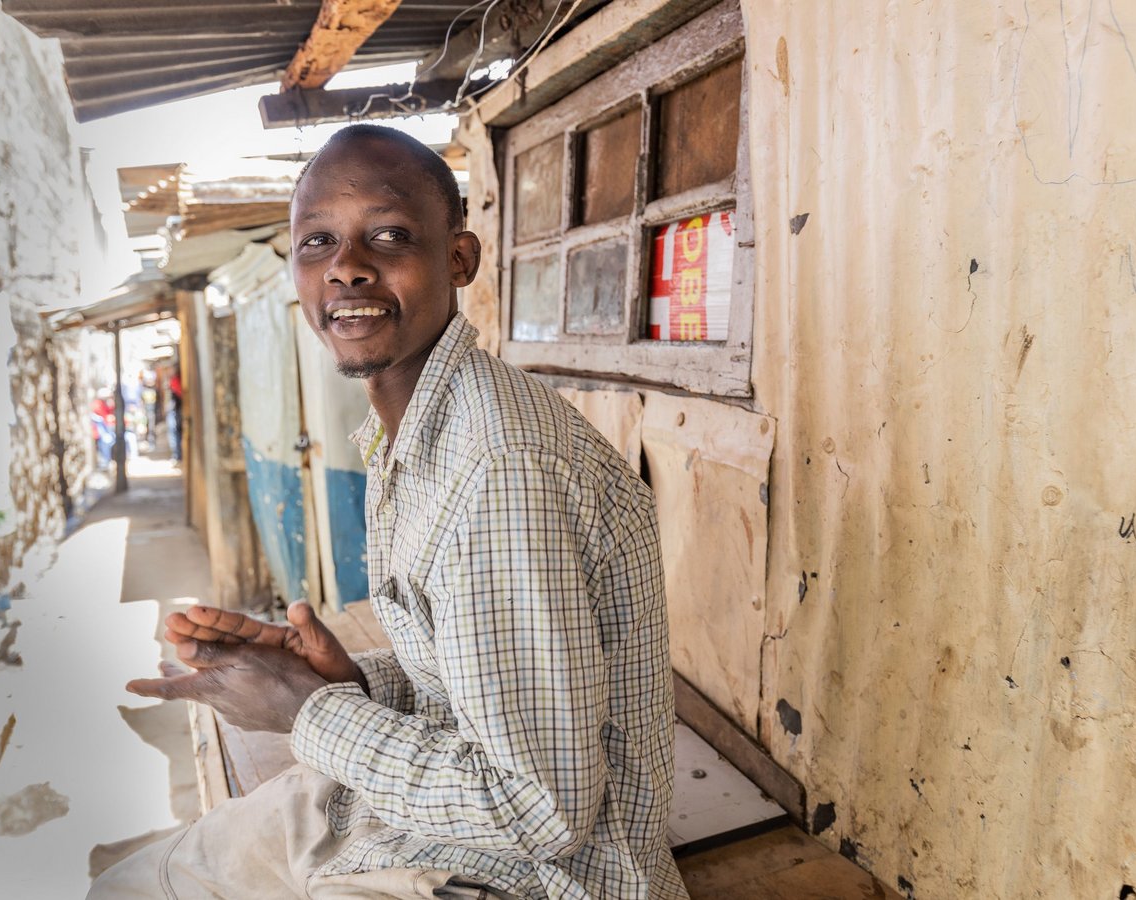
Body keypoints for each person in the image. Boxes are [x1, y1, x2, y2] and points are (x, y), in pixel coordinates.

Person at [90, 124, 688, 900]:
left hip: (538, 875)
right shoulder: (408, 432)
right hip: (406, 820)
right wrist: (349, 684)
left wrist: (308, 711)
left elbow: (541, 810)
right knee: (132, 885)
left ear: (459, 258)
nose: (346, 268)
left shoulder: (497, 469)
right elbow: (469, 683)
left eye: (389, 235)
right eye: (317, 244)